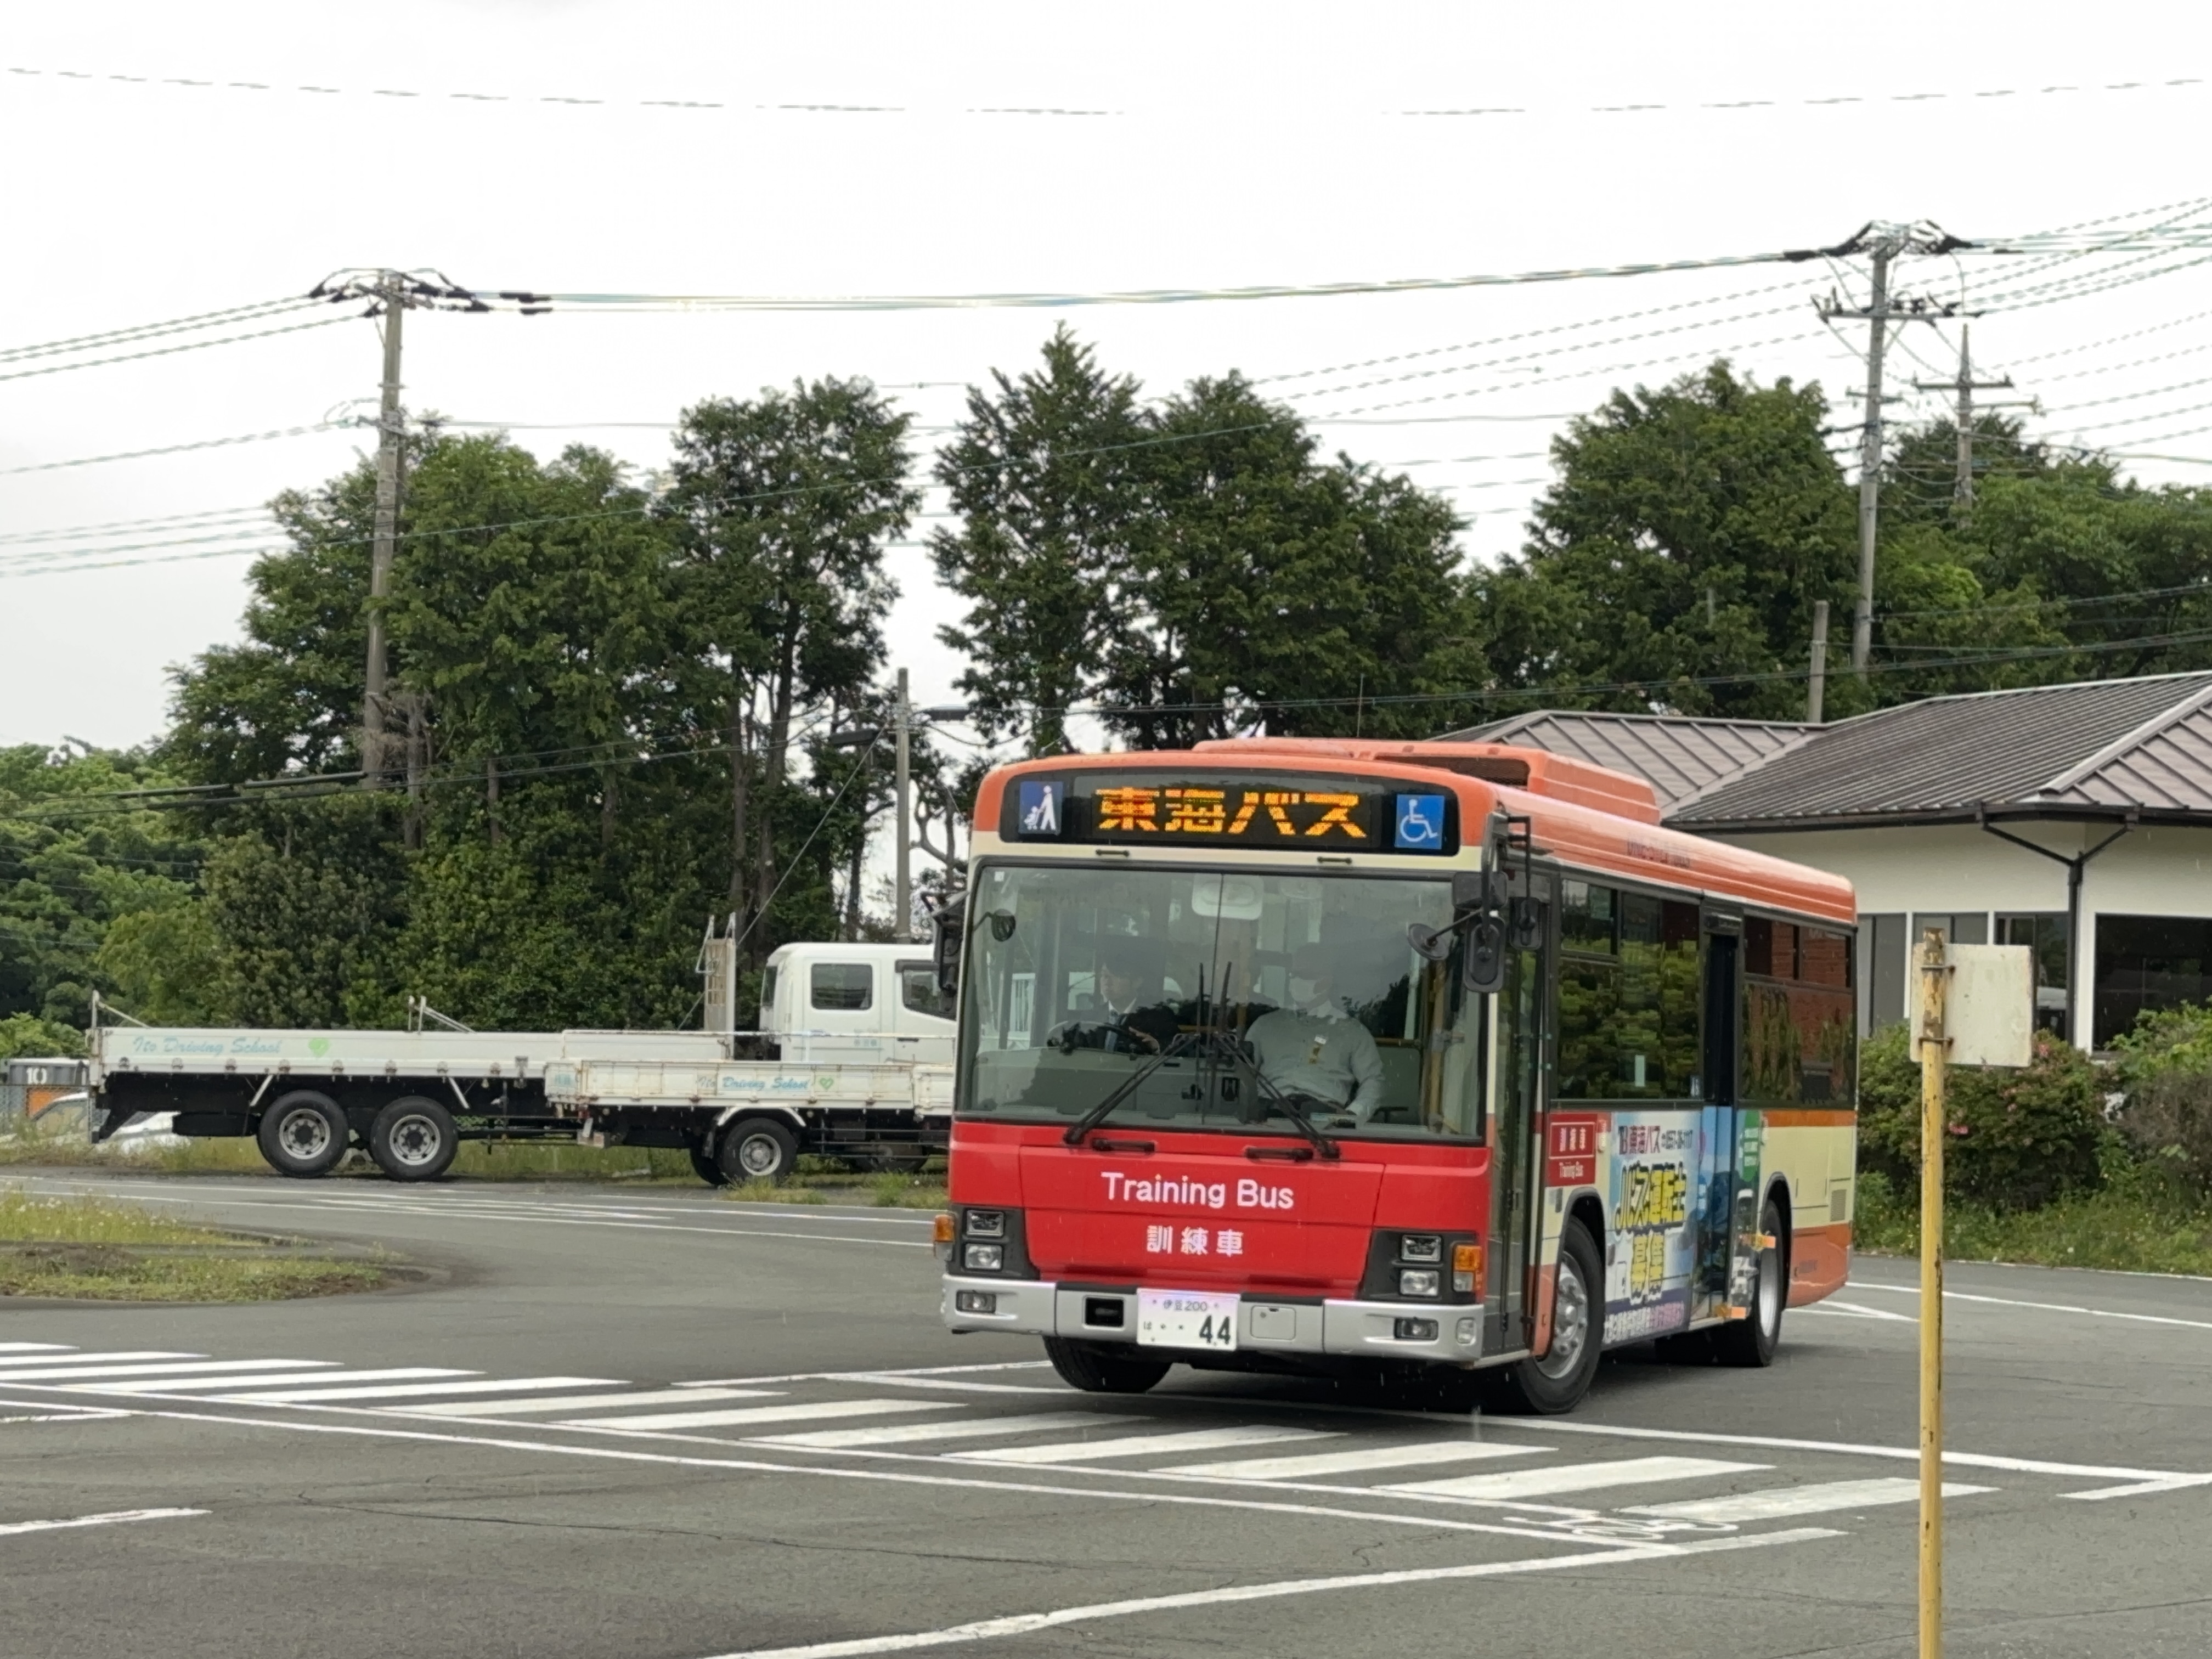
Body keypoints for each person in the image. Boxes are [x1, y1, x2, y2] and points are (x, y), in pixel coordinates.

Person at [1246, 943, 1384, 1122]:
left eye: (1305, 976)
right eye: (1294, 975)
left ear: (1327, 981)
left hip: (1324, 1122)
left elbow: (1373, 1080)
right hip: (1266, 1117)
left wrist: (1352, 1117)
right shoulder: (1265, 1025)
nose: (1296, 981)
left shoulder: (1352, 1032)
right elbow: (1243, 1072)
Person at [1074, 940, 1182, 1055]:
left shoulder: (1159, 1018)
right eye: (1104, 975)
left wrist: (1157, 1046)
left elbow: (1185, 1050)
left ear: (1137, 982)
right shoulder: (1090, 1019)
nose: (1107, 981)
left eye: (1116, 975)